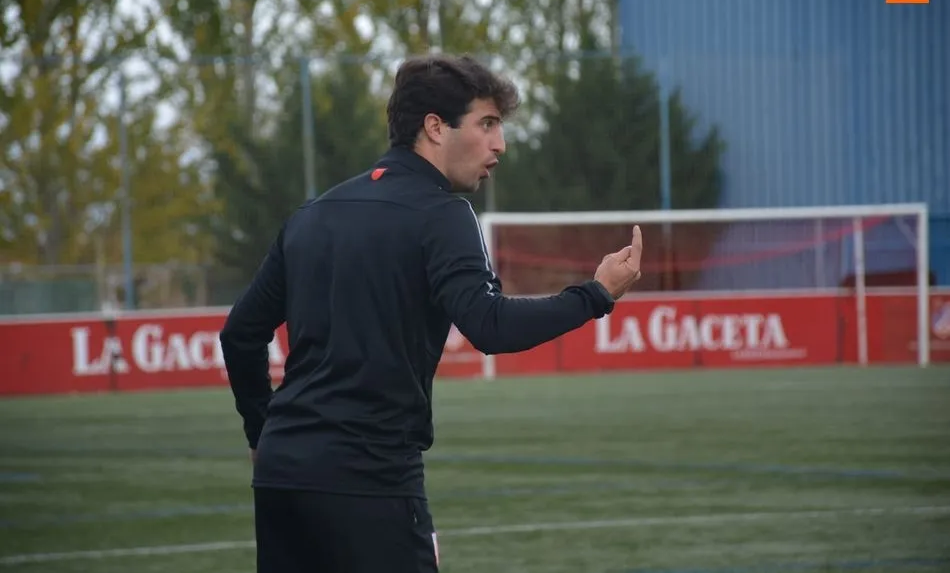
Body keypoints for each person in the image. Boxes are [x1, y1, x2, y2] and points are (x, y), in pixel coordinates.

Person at [219, 53, 644, 573]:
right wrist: (596, 295)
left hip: (283, 477)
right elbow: (489, 326)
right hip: (369, 477)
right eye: (487, 124)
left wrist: (262, 435)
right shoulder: (442, 214)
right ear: (435, 128)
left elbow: (240, 333)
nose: (500, 145)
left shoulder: (314, 214)